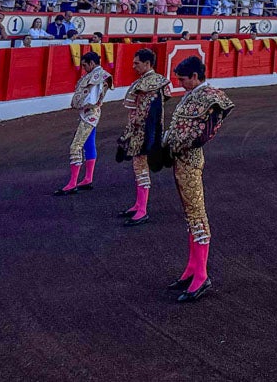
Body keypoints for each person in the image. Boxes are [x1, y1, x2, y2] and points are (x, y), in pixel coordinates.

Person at [159, 55, 235, 303]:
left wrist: (178, 144)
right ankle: (192, 269)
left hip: (190, 160)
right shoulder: (193, 96)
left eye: (183, 79)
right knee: (190, 215)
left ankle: (202, 275)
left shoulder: (211, 97)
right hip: (181, 160)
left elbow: (204, 134)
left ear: (194, 76)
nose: (180, 83)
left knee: (197, 214)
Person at [117, 47, 168, 226]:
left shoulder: (150, 84)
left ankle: (142, 209)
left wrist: (146, 136)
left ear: (147, 64)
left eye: (137, 63)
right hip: (143, 131)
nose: (133, 66)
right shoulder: (149, 81)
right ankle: (138, 204)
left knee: (142, 169)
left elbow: (148, 114)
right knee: (138, 169)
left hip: (145, 133)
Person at [53, 51, 112, 196]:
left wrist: (81, 104)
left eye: (85, 65)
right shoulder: (99, 75)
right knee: (88, 144)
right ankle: (87, 178)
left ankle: (72, 183)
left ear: (92, 63)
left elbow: (93, 99)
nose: (84, 68)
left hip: (90, 114)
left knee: (76, 146)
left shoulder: (97, 76)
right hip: (91, 113)